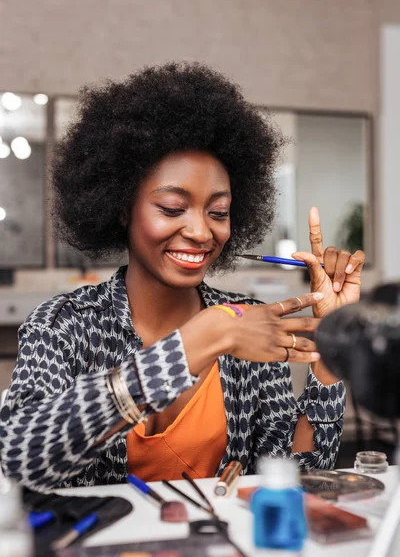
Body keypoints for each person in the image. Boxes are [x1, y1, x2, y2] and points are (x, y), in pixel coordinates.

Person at [0, 63, 365, 490]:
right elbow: (17, 461)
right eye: (173, 208)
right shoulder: (65, 326)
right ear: (121, 208)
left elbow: (297, 477)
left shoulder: (249, 320)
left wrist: (328, 356)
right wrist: (193, 345)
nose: (200, 231)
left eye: (218, 213)